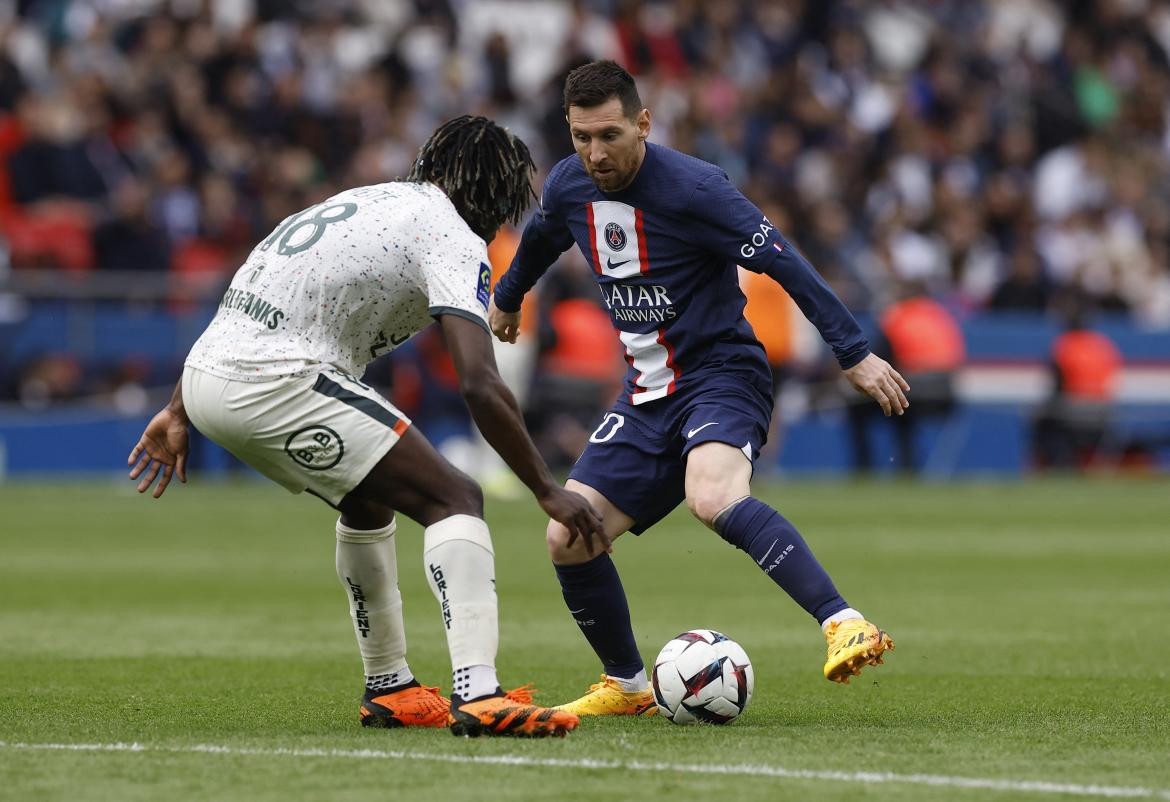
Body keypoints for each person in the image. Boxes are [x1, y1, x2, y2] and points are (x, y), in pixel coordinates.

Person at [126, 116, 602, 738]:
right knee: (456, 497)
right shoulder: (452, 233)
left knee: (369, 500)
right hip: (277, 379)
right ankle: (480, 694)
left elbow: (248, 301)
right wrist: (546, 487)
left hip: (208, 378)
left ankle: (391, 688)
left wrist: (178, 407)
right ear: (494, 198)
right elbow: (481, 383)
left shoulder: (364, 200)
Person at [488, 61, 907, 716]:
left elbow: (783, 258)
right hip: (646, 392)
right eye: (580, 137)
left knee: (710, 496)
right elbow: (542, 234)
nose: (595, 153)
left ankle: (843, 621)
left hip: (721, 374)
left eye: (609, 135)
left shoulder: (696, 188)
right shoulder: (572, 185)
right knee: (568, 534)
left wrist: (852, 352)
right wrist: (509, 299)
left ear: (644, 124)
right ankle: (627, 686)